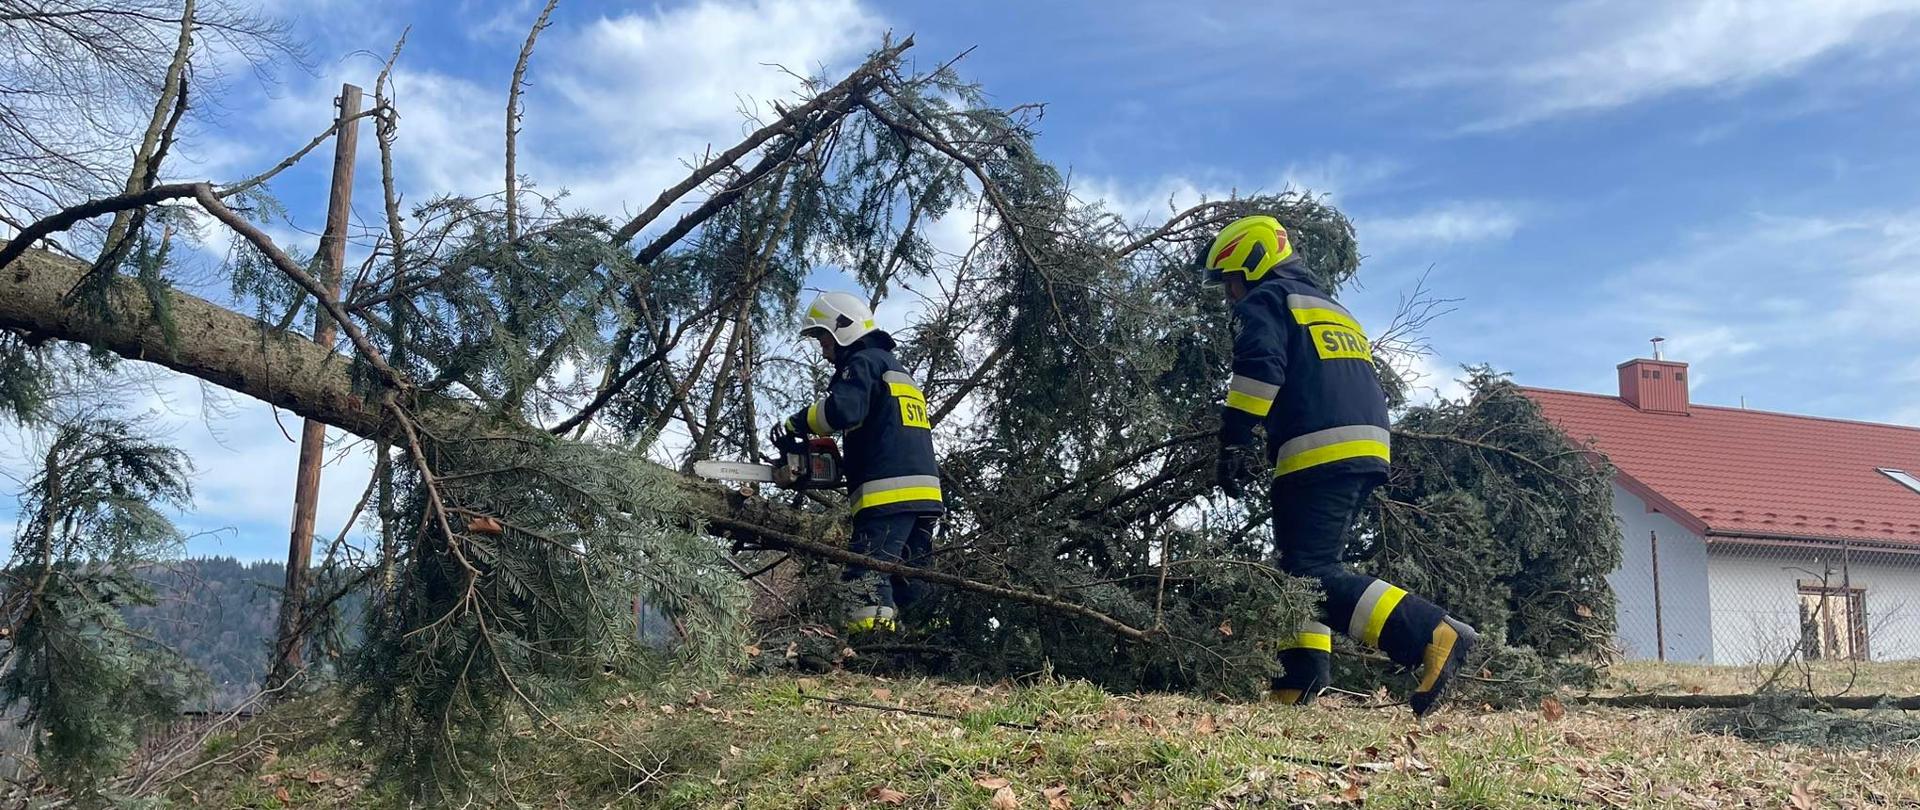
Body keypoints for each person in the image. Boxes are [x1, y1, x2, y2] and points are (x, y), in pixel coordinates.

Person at [1204, 215, 1476, 717]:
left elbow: (1260, 368)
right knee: (1302, 569)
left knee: (1309, 574)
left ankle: (1431, 633)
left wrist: (1235, 440)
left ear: (1252, 264)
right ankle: (1298, 685)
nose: (1230, 296)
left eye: (1230, 281)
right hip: (1365, 446)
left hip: (1316, 447)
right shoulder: (1333, 310)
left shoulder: (1269, 299)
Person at [773, 291, 943, 635]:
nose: (823, 350)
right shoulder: (896, 370)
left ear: (843, 329)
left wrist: (796, 423)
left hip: (888, 496)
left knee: (865, 574)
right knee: (911, 578)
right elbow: (885, 432)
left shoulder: (861, 364)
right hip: (925, 495)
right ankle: (930, 646)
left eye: (823, 337)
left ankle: (873, 647)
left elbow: (843, 410)